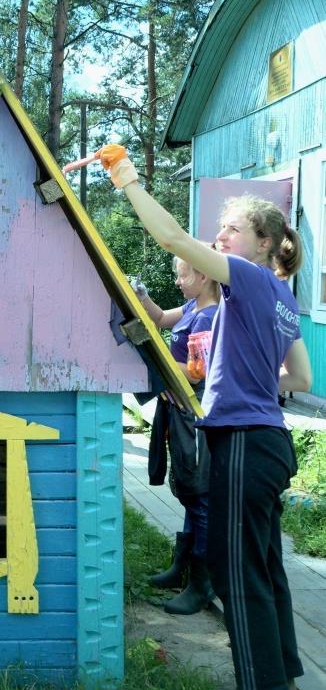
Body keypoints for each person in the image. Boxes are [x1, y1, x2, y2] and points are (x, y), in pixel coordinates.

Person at [99, 144, 311, 690]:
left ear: (264, 244)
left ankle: (260, 689)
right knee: (266, 567)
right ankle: (281, 679)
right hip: (266, 440)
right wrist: (254, 386)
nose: (221, 237)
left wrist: (127, 180)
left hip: (243, 442)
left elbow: (172, 239)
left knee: (237, 574)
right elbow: (302, 380)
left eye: (232, 229)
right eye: (220, 229)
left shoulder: (247, 275)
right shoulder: (282, 297)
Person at [134, 258, 218, 615]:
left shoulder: (209, 317)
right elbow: (161, 319)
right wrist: (142, 295)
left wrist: (153, 358)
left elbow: (198, 373)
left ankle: (202, 584)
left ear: (203, 275)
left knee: (199, 496)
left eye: (183, 274)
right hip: (178, 411)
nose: (178, 280)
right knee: (187, 489)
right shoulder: (192, 306)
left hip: (194, 415)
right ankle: (181, 567)